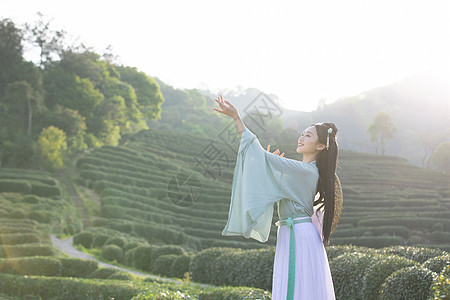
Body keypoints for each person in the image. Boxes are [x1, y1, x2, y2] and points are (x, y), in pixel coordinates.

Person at [213, 95, 342, 300]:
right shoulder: (306, 171)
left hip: (297, 233)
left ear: (320, 146)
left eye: (308, 136)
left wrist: (237, 118)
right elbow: (270, 172)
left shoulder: (306, 171)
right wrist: (274, 170)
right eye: (302, 134)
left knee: (294, 289)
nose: (301, 137)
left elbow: (258, 155)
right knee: (300, 288)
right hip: (295, 232)